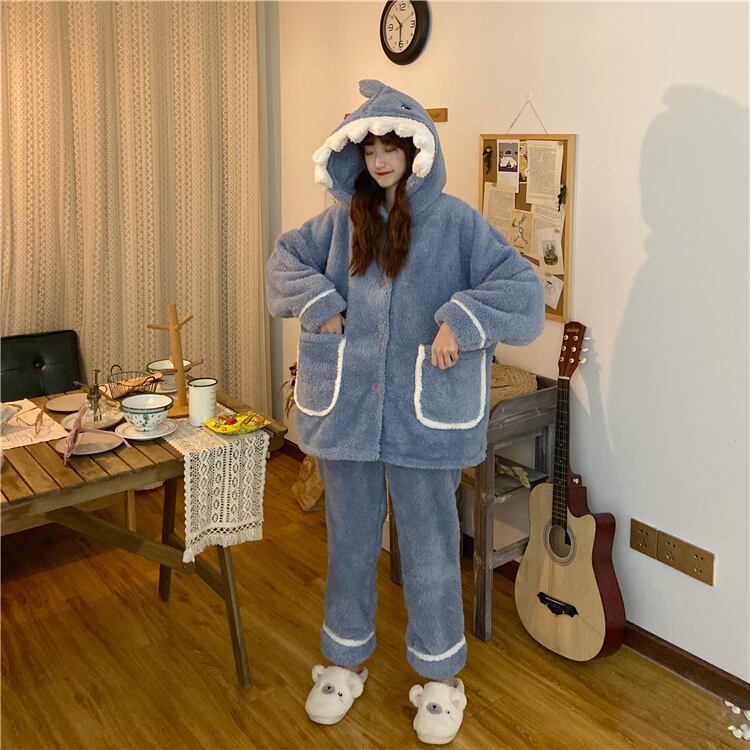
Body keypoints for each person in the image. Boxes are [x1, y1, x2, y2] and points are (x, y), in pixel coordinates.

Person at [265, 79, 544, 745]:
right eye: (370, 150)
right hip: (350, 415)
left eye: (392, 147)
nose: (380, 160)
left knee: (431, 549)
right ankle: (343, 662)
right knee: (350, 542)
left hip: (425, 415)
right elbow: (283, 262)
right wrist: (320, 306)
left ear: (418, 151)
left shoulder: (455, 223)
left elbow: (524, 290)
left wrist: (462, 319)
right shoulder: (341, 222)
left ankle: (442, 678)